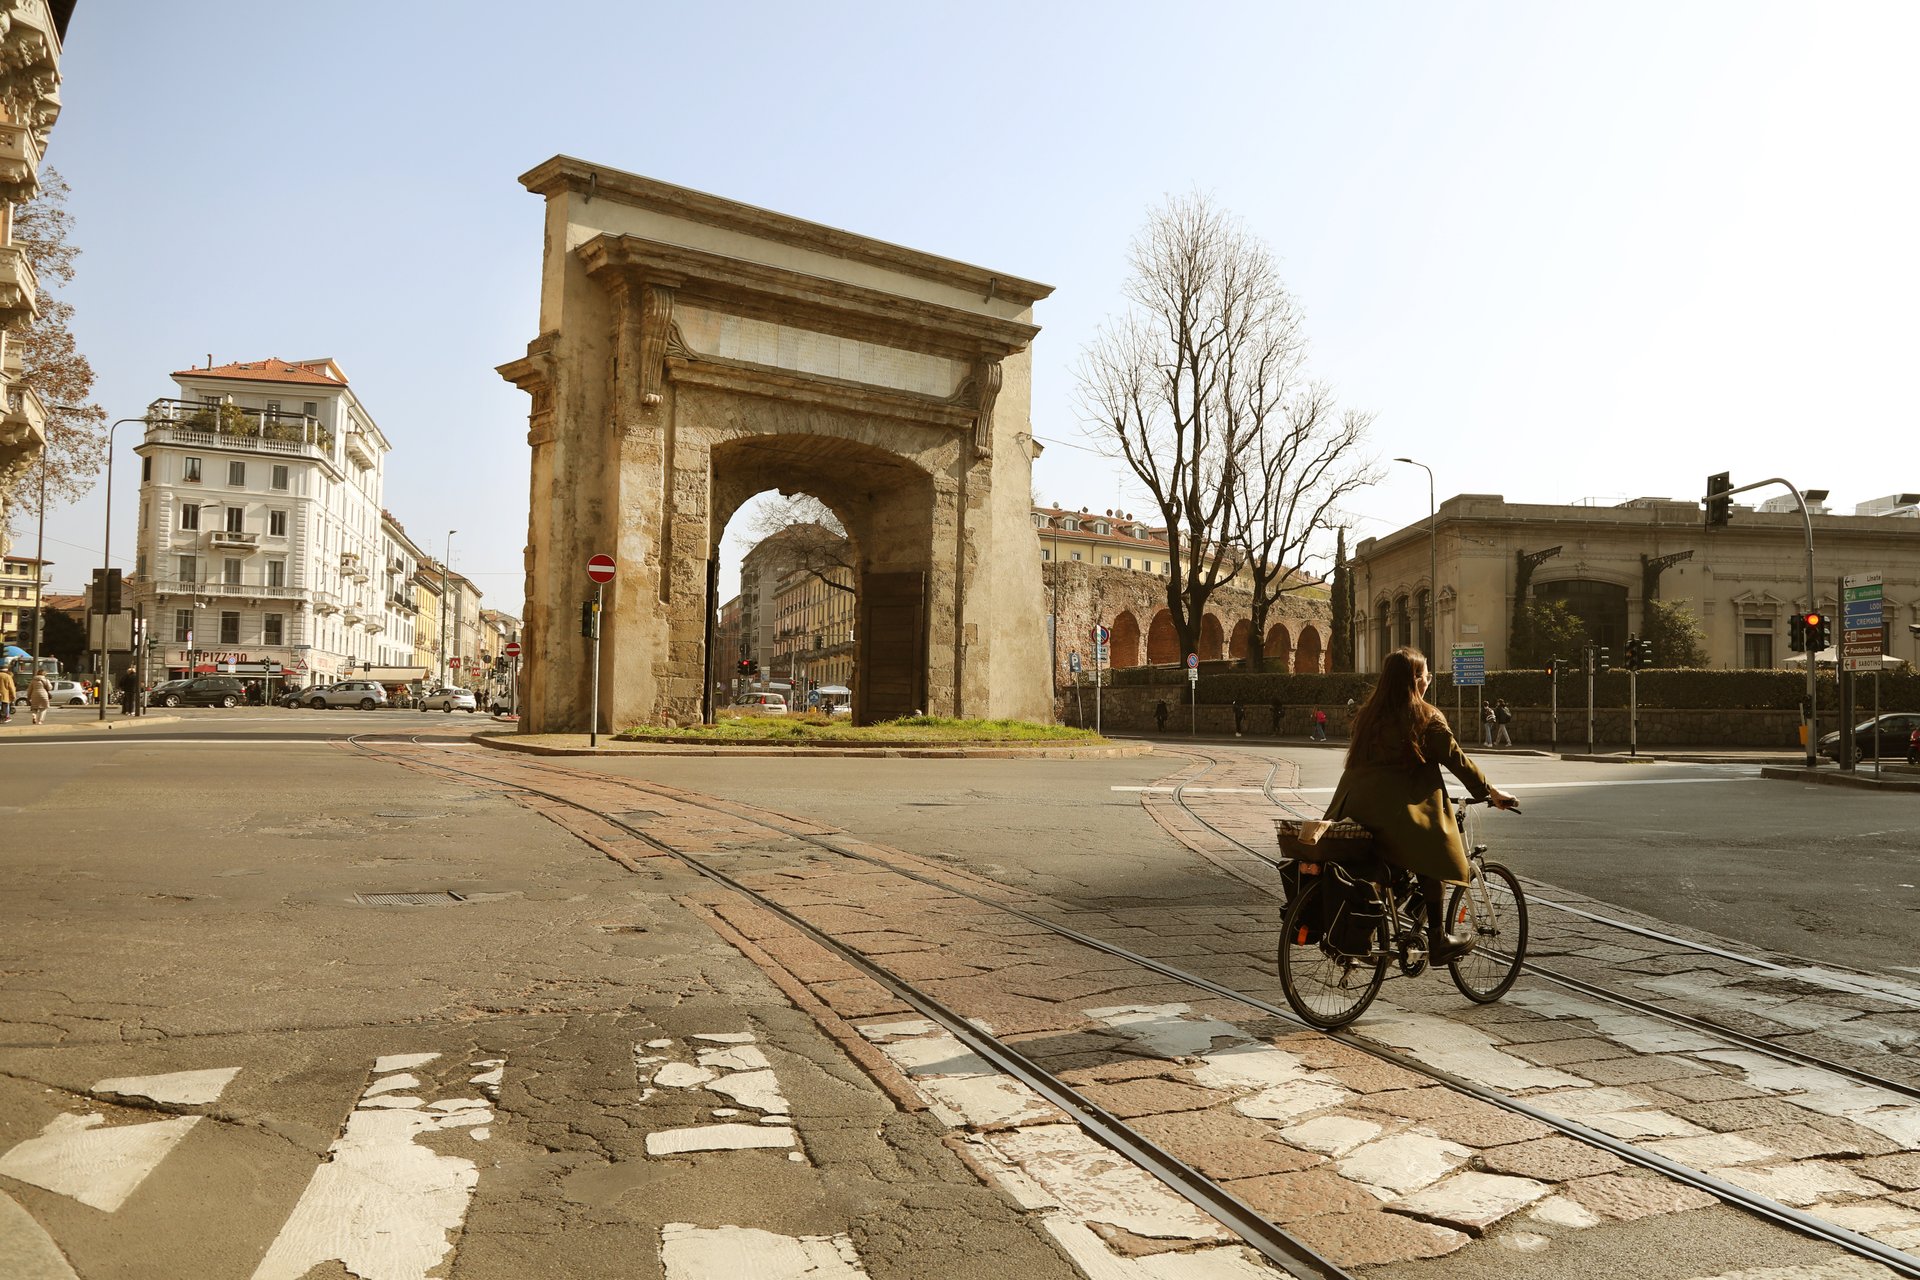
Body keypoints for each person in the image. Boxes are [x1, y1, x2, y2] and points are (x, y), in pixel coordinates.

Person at [1325, 647, 1519, 965]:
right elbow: (1457, 761)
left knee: (1399, 857)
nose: (1429, 678)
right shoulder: (1424, 717)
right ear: (1416, 679)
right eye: (1426, 672)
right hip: (1392, 816)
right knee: (1433, 851)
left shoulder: (1368, 715)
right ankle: (1439, 939)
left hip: (1351, 810)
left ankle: (1381, 925)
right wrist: (1489, 792)